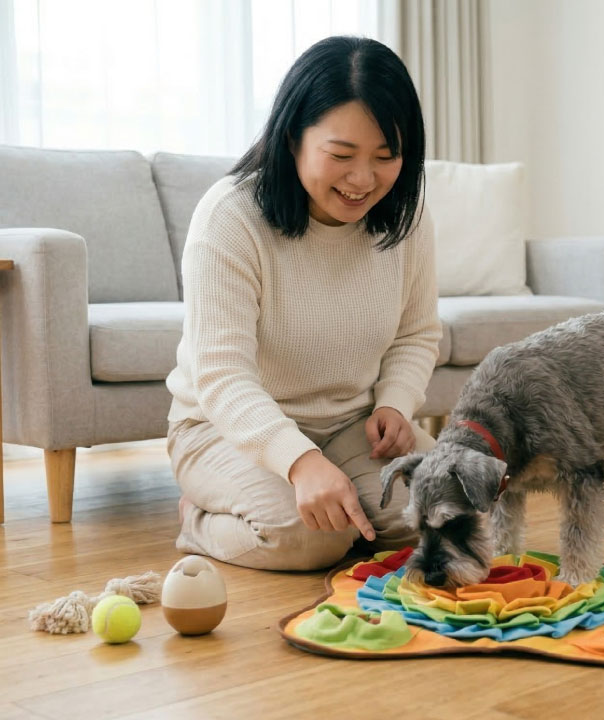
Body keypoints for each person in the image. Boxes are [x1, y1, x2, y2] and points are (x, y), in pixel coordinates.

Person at [165, 35, 440, 571]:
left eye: (387, 158)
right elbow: (222, 376)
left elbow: (416, 333)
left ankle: (340, 502)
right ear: (292, 137)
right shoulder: (231, 217)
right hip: (223, 431)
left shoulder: (407, 217)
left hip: (350, 425)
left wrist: (394, 404)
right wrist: (300, 462)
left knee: (442, 514)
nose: (364, 180)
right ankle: (198, 517)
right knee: (309, 539)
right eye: (341, 155)